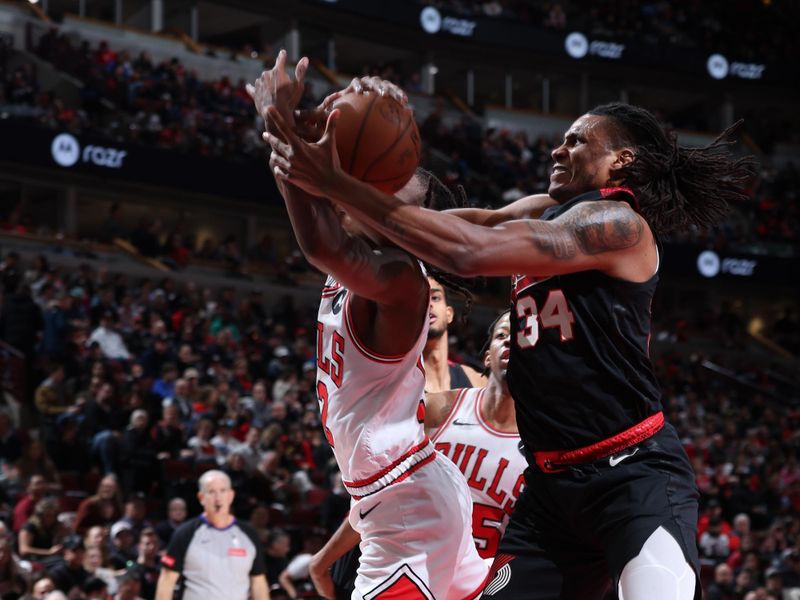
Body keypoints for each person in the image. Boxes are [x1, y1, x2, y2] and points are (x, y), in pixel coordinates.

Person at [267, 75, 757, 599]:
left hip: (631, 475)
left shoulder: (619, 224)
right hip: (550, 489)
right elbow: (430, 230)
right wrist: (311, 163)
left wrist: (335, 184)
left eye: (577, 140)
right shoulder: (540, 210)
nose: (558, 147)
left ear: (622, 161)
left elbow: (467, 253)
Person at [249, 51, 487, 599]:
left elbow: (318, 242)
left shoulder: (401, 278)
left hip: (407, 508)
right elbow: (312, 208)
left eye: (393, 188)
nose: (376, 189)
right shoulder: (356, 257)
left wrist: (279, 127)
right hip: (401, 493)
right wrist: (303, 143)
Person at [154, 470, 269, 600]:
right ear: (201, 498)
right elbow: (167, 580)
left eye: (222, 491)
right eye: (211, 492)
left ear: (231, 495)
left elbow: (258, 582)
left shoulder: (249, 535)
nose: (218, 498)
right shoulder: (185, 533)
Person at [423, 276, 485, 393]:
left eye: (435, 298)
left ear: (449, 314)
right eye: (420, 300)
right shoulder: (399, 384)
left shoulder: (476, 380)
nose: (428, 304)